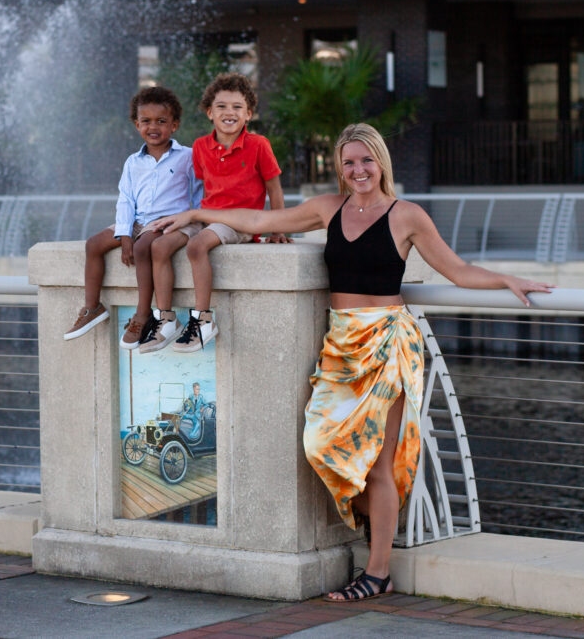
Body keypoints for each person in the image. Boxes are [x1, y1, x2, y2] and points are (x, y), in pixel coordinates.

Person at [154, 123, 554, 601]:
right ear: (340, 169)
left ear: (381, 162)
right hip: (342, 343)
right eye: (349, 163)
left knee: (380, 465)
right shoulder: (329, 208)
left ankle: (377, 570)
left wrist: (508, 280)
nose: (358, 170)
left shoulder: (407, 215)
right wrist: (196, 213)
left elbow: (457, 269)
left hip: (388, 342)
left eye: (366, 160)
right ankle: (374, 527)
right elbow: (260, 222)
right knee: (320, 443)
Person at [138, 72, 290, 354]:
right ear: (210, 112)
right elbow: (201, 189)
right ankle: (165, 318)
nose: (228, 112)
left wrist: (277, 229)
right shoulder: (200, 147)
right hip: (207, 217)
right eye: (221, 106)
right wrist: (183, 217)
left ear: (248, 114)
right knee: (159, 246)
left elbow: (275, 188)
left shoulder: (259, 145)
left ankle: (203, 320)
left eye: (237, 107)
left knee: (197, 246)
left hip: (240, 221)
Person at [63, 86, 202, 347]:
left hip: (167, 222)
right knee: (93, 244)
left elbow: (200, 192)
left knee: (141, 248)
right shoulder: (132, 162)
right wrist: (124, 233)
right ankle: (92, 308)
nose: (154, 127)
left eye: (161, 121)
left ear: (174, 125)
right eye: (146, 121)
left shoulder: (188, 157)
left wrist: (193, 222)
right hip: (138, 220)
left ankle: (143, 314)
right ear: (137, 124)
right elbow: (125, 199)